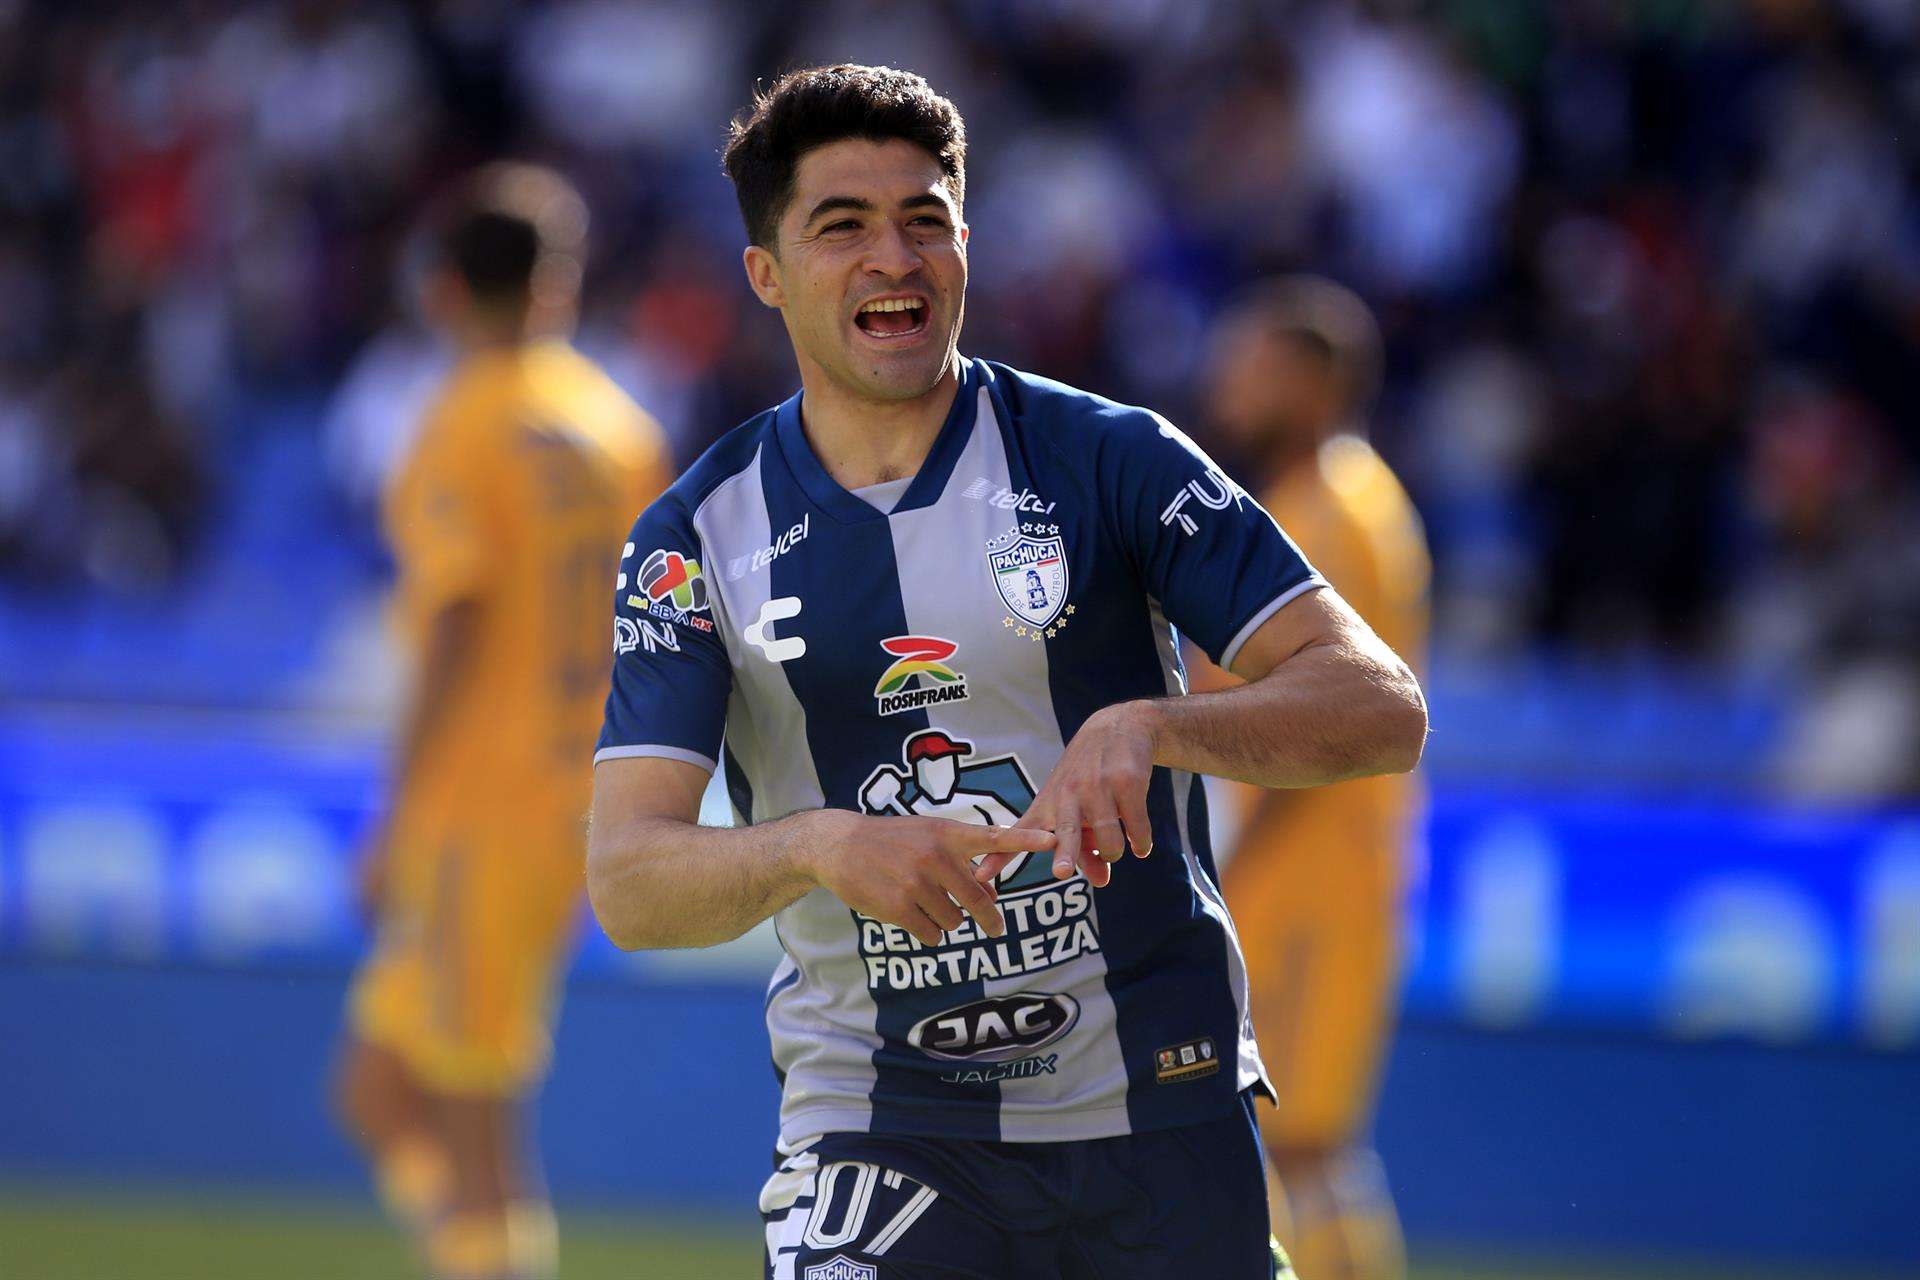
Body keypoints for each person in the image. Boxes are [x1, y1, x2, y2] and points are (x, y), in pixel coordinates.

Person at [585, 65, 1426, 1280]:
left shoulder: (1111, 460)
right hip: (880, 1125)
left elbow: (1380, 704)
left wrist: (1157, 724)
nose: (896, 257)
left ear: (966, 245)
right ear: (766, 274)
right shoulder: (694, 538)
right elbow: (627, 878)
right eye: (844, 226)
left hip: (1159, 1107)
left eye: (926, 219)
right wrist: (815, 844)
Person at [332, 163, 672, 1280]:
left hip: (483, 799)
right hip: (571, 793)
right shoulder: (618, 427)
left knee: (476, 1118)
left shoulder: (461, 420)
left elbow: (457, 619)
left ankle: (488, 1254)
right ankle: (475, 1254)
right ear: (558, 285)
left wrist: (396, 808)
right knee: (377, 1088)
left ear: (440, 291)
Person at [1198, 278, 1431, 1280]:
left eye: (1253, 364)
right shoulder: (1321, 498)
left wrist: (1233, 856)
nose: (1229, 383)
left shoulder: (1333, 510)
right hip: (1317, 867)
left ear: (1314, 379)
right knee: (1304, 1142)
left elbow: (1323, 717)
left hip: (1316, 871)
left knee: (1308, 1141)